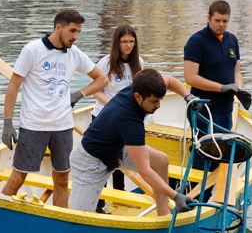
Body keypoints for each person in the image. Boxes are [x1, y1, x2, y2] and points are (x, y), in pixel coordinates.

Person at [0, 9, 108, 208]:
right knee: (18, 177)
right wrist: (8, 123)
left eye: (78, 32)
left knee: (61, 180)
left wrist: (79, 94)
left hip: (63, 126)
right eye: (72, 31)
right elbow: (13, 86)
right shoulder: (32, 50)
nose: (75, 37)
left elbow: (102, 79)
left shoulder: (74, 54)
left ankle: (61, 220)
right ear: (58, 28)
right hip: (34, 125)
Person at [68, 68, 198, 215]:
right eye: (154, 102)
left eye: (160, 100)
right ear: (137, 96)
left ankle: (163, 214)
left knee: (160, 160)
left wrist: (188, 97)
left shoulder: (141, 87)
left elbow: (170, 81)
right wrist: (175, 196)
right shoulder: (129, 120)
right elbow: (145, 171)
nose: (158, 106)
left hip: (116, 151)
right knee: (79, 217)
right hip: (90, 162)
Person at [184, 0, 249, 143]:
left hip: (226, 108)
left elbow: (236, 72)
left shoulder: (232, 40)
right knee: (205, 152)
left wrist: (239, 89)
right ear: (208, 18)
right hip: (203, 108)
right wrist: (221, 88)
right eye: (217, 20)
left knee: (222, 150)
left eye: (225, 21)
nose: (221, 25)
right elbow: (190, 78)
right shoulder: (196, 41)